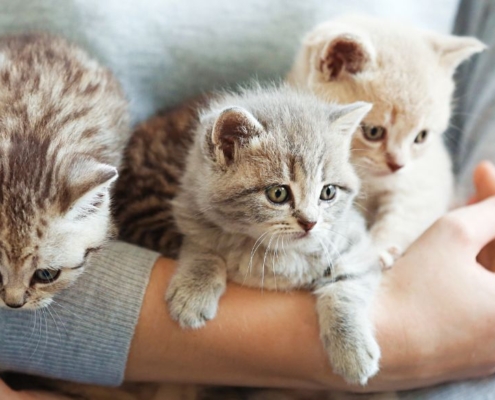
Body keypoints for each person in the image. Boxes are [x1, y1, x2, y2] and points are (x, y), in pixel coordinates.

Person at [2, 0, 495, 398]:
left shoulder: (339, 160)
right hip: (94, 336)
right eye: (283, 195)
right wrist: (400, 334)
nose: (397, 161)